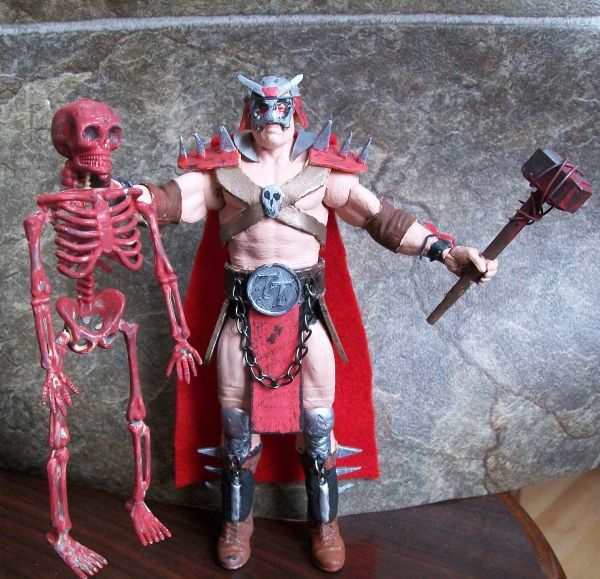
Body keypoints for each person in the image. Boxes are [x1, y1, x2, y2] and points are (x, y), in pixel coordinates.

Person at [138, 73, 497, 572]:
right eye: (262, 107)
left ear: (294, 110)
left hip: (307, 314)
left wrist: (445, 251)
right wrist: (134, 197)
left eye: (280, 106)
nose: (271, 117)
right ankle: (237, 523)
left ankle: (326, 524)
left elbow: (381, 219)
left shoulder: (324, 173)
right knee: (236, 424)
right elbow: (172, 200)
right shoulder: (222, 173)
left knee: (319, 423)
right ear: (249, 111)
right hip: (242, 313)